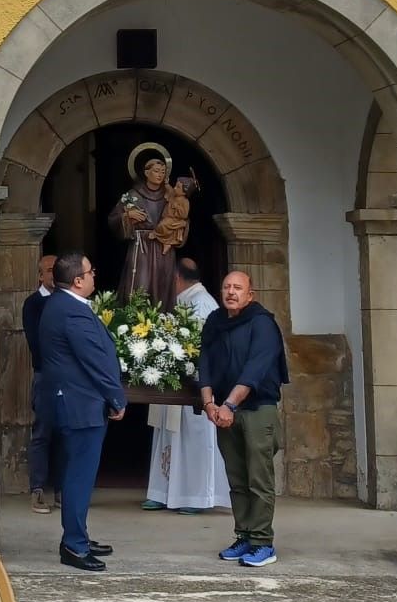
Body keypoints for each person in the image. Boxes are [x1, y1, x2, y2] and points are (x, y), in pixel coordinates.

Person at [36, 251, 125, 573]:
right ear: (77, 280)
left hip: (75, 401)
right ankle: (73, 545)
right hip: (80, 403)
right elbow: (95, 359)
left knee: (78, 475)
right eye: (90, 272)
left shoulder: (62, 305)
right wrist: (117, 397)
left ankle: (79, 536)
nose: (93, 276)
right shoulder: (71, 310)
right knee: (78, 476)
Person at [197, 270, 290, 568]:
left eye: (238, 288)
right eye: (226, 287)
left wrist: (229, 405)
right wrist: (208, 403)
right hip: (224, 411)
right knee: (237, 478)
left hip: (255, 410)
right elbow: (205, 361)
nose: (231, 292)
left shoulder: (262, 324)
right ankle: (245, 535)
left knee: (258, 478)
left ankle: (263, 542)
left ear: (251, 294)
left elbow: (255, 369)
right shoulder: (215, 321)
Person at [144, 257, 230, 515]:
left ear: (176, 279)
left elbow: (205, 349)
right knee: (169, 436)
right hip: (176, 383)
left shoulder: (203, 304)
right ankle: (163, 492)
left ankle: (195, 496)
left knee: (193, 440)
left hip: (196, 386)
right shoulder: (184, 301)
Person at [108, 142, 199, 306]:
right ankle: (136, 322)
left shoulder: (172, 195)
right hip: (142, 246)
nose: (160, 175)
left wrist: (174, 229)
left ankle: (162, 322)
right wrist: (128, 215)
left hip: (163, 247)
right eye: (156, 171)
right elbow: (113, 219)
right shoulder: (134, 194)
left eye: (163, 172)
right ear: (146, 172)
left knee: (162, 286)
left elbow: (183, 220)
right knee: (140, 283)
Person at [22, 252, 58, 514]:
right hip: (46, 374)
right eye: (49, 270)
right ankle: (37, 490)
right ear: (40, 275)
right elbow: (36, 343)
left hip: (66, 378)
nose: (54, 274)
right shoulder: (33, 304)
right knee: (42, 432)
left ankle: (60, 490)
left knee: (65, 432)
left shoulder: (67, 301)